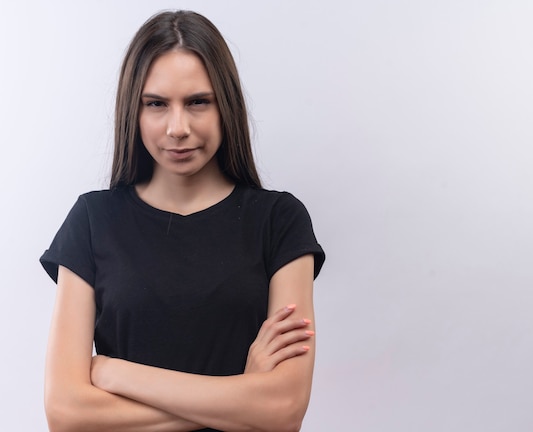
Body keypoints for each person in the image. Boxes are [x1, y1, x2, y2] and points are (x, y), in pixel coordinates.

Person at [40, 10, 325, 432]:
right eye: (156, 104)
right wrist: (242, 394)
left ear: (225, 105)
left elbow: (283, 411)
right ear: (132, 112)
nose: (177, 128)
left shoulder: (279, 222)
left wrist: (116, 374)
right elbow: (65, 413)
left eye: (198, 102)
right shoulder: (91, 220)